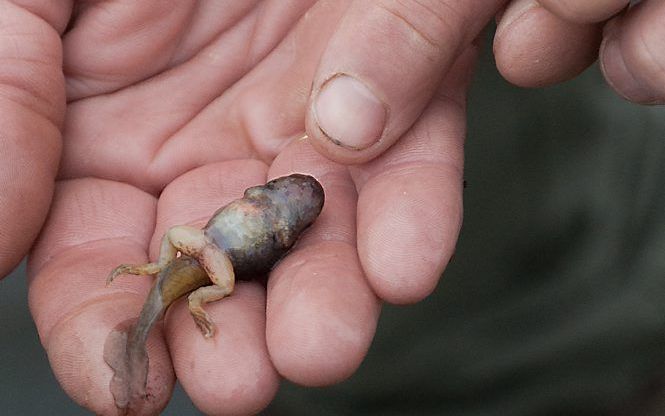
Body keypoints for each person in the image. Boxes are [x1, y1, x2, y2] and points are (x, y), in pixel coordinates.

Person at [1, 1, 662, 414]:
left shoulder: (251, 227)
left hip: (205, 245)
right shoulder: (270, 228)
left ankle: (167, 292)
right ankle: (169, 295)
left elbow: (248, 224)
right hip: (212, 253)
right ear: (273, 203)